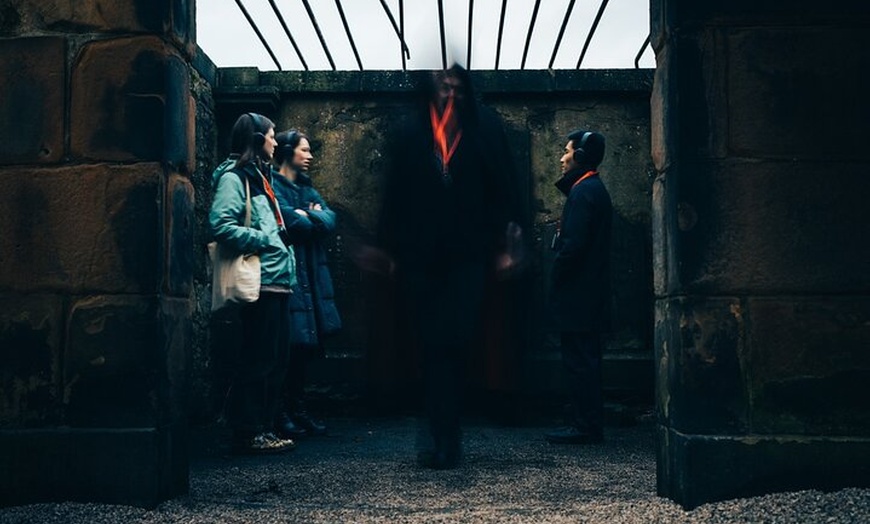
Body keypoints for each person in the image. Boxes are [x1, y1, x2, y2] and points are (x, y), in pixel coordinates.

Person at [371, 64, 523, 469]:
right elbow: (394, 194)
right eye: (443, 82)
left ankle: (447, 435)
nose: (450, 88)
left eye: (456, 82)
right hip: (422, 259)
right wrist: (386, 248)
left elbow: (505, 188)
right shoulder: (410, 133)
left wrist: (510, 241)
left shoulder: (483, 129)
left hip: (468, 257)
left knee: (453, 344)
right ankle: (442, 437)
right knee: (434, 346)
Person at [209, 112, 297, 454]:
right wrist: (263, 238)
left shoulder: (261, 176)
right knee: (259, 359)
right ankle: (249, 431)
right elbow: (220, 224)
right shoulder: (235, 178)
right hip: (261, 281)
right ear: (258, 139)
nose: (277, 142)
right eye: (272, 136)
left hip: (276, 281)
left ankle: (260, 427)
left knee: (274, 358)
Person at [271, 129, 341, 439]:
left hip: (309, 273)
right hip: (288, 273)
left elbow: (330, 219)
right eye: (305, 150)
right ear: (288, 152)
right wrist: (307, 217)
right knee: (286, 345)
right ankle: (280, 412)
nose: (310, 156)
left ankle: (297, 409)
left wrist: (308, 217)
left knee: (304, 347)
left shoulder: (307, 189)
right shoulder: (272, 185)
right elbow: (288, 221)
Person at [544, 129, 612, 445]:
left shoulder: (584, 193)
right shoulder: (591, 190)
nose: (562, 157)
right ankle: (586, 423)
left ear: (580, 157)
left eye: (568, 151)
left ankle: (585, 426)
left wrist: (555, 276)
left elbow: (573, 247)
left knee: (580, 361)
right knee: (585, 358)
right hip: (588, 292)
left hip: (578, 294)